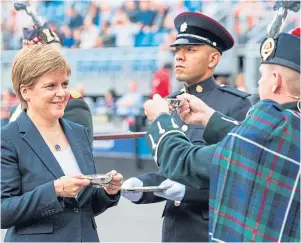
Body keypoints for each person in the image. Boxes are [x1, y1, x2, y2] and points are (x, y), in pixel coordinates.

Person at [142, 28, 300, 242]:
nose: (259, 82)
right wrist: (210, 118)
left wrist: (161, 119)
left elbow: (185, 163)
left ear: (275, 80)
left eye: (262, 75)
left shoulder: (268, 120)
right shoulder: (289, 125)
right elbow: (255, 144)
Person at [121, 12, 252, 242]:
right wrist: (142, 187)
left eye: (190, 50)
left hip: (212, 230)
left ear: (213, 59)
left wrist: (189, 192)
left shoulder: (235, 104)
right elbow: (171, 172)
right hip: (175, 229)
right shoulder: (170, 103)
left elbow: (237, 176)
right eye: (177, 51)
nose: (179, 57)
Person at [1, 44, 123, 242]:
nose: (62, 93)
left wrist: (108, 191)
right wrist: (55, 190)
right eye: (51, 86)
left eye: (64, 84)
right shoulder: (8, 139)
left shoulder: (78, 132)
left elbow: (82, 208)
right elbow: (3, 211)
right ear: (25, 92)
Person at [9, 26, 94, 144]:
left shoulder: (73, 105)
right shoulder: (16, 110)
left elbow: (78, 155)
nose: (61, 93)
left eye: (65, 84)